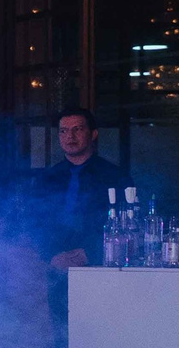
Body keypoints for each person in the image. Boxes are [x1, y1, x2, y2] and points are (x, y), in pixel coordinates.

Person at [27, 105, 132, 270]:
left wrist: (90, 252)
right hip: (55, 265)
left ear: (93, 134)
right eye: (63, 131)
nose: (70, 136)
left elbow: (128, 224)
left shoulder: (114, 177)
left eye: (78, 129)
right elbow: (34, 221)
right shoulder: (48, 178)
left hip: (103, 264)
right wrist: (50, 256)